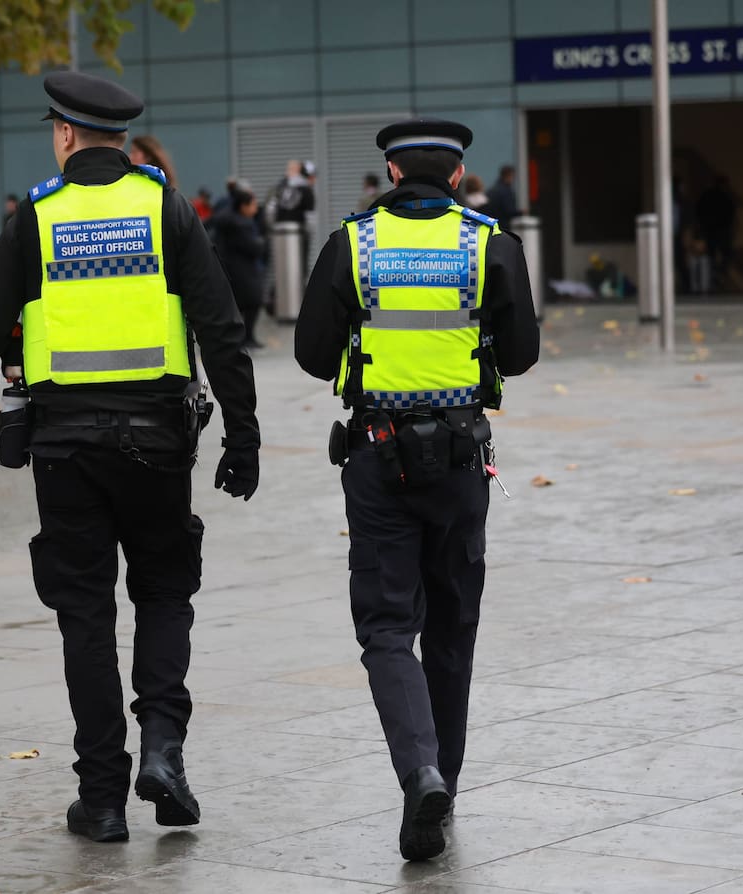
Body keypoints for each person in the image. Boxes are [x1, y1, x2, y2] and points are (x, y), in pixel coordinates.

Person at [0, 71, 261, 844]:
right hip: (158, 443)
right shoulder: (165, 208)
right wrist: (243, 437)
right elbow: (222, 329)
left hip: (63, 450)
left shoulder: (36, 218)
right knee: (163, 593)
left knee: (84, 616)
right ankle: (164, 748)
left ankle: (103, 799)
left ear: (63, 134)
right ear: (119, 139)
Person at [295, 119, 539, 862]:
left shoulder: (353, 243)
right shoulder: (489, 243)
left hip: (377, 457)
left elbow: (311, 354)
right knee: (453, 628)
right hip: (463, 461)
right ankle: (443, 792)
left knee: (386, 626)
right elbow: (522, 355)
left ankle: (418, 772)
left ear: (392, 176)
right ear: (458, 178)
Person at [210, 189, 268, 348]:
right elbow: (254, 247)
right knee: (253, 301)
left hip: (232, 268)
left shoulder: (228, 221)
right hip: (243, 271)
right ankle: (246, 337)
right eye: (253, 205)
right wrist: (262, 243)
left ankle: (242, 337)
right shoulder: (241, 224)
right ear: (243, 206)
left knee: (239, 304)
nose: (256, 208)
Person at [269, 159, 316, 265]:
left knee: (283, 264)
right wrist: (308, 233)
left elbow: (270, 210)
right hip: (298, 234)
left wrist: (274, 228)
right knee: (299, 265)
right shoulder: (306, 190)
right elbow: (310, 218)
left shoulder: (280, 187)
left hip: (280, 233)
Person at [696, 175, 736, 282]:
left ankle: (714, 275)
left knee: (712, 254)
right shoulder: (726, 196)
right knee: (725, 253)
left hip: (712, 229)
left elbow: (700, 211)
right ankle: (718, 274)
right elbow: (731, 213)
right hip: (720, 229)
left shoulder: (708, 195)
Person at [485, 164, 518, 229]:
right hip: (503, 225)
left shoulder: (493, 189)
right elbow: (509, 210)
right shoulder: (506, 191)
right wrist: (521, 213)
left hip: (493, 224)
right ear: (509, 176)